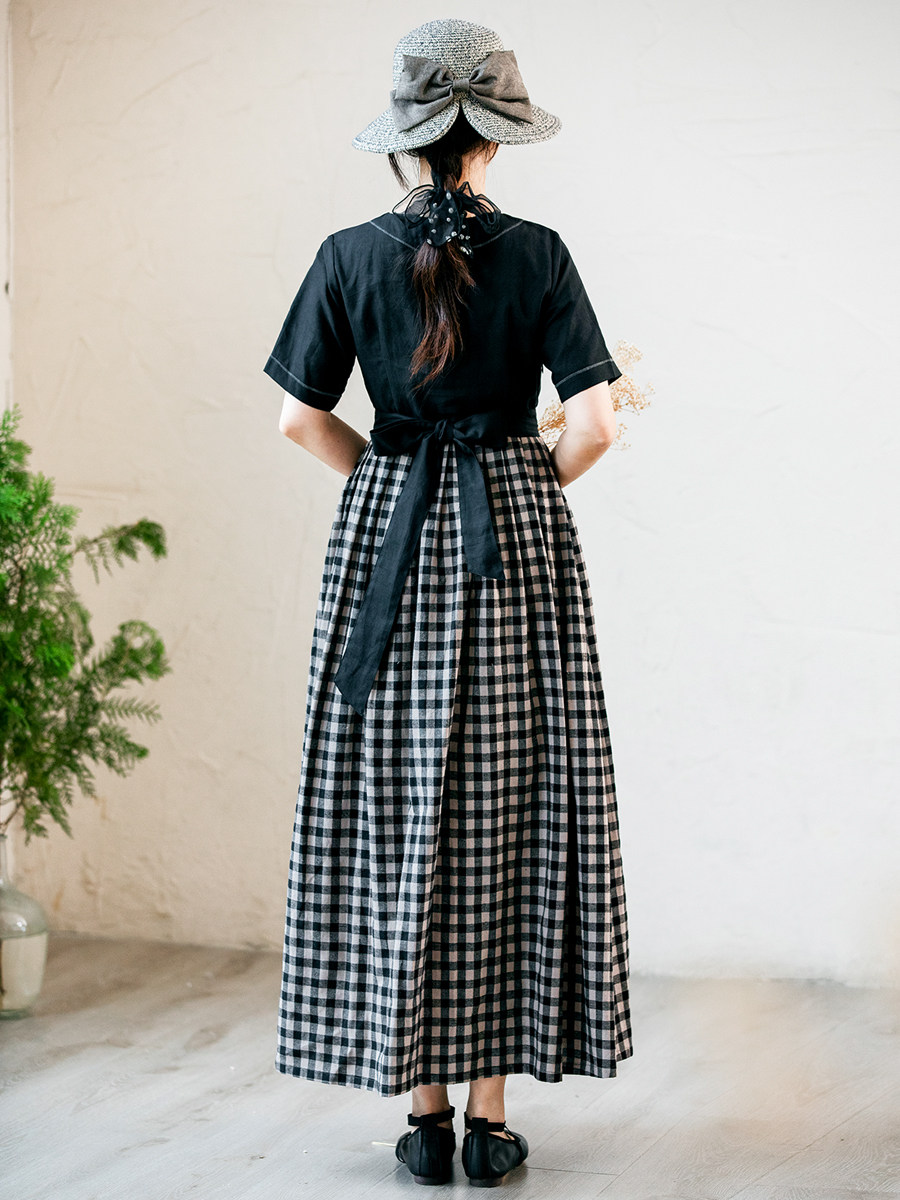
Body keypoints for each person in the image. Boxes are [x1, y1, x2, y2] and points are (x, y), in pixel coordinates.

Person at [262, 17, 633, 1188]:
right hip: (509, 542)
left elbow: (298, 418)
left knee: (397, 802)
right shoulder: (541, 254)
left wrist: (386, 478)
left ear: (405, 143)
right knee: (509, 807)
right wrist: (521, 478)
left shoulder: (344, 254)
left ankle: (419, 1117)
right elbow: (596, 425)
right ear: (493, 142)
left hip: (386, 534)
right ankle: (490, 1119)